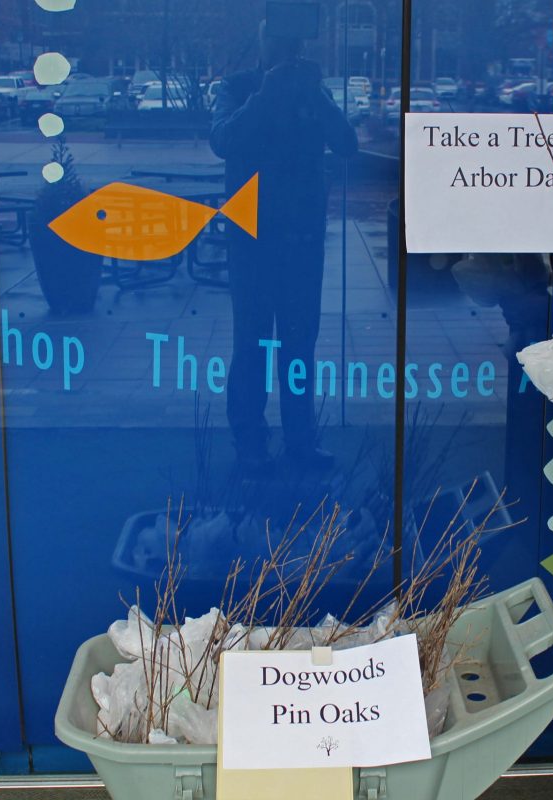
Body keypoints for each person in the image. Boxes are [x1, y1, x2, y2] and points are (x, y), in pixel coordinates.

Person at [210, 23, 358, 472]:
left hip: (301, 240)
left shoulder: (311, 93)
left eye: (291, 42)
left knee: (298, 345)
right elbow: (223, 140)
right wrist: (268, 94)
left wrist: (313, 96)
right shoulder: (238, 88)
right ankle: (250, 441)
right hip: (253, 241)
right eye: (279, 40)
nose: (286, 49)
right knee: (251, 343)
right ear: (262, 43)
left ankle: (300, 439)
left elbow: (347, 144)